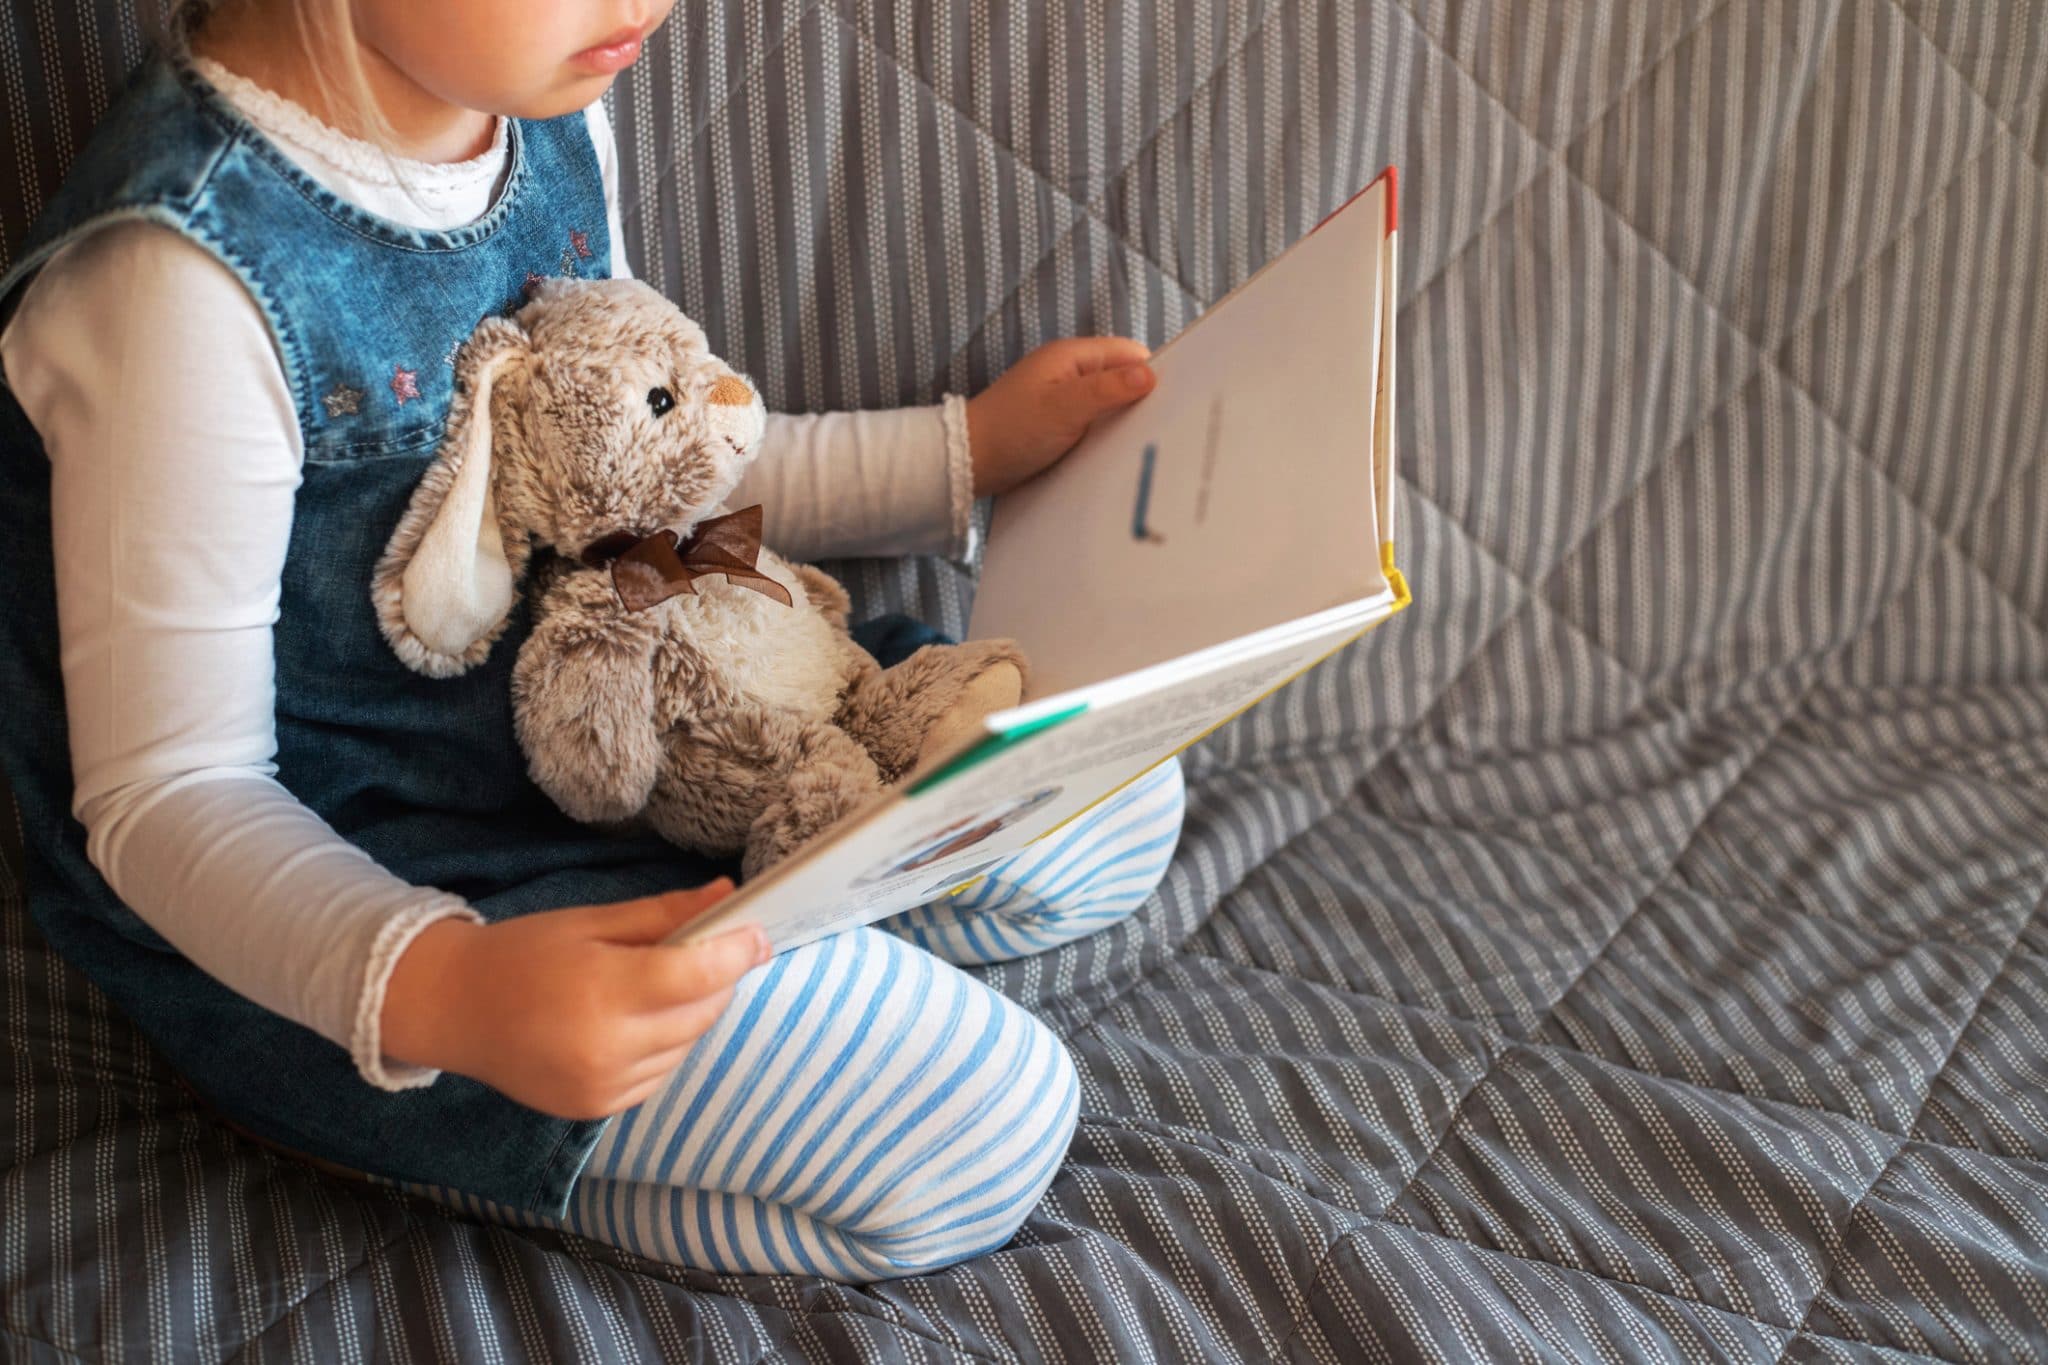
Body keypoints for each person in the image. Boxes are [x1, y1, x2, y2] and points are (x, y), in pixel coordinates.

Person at [0, 0, 1187, 1282]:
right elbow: (170, 797)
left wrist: (958, 454)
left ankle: (798, 916)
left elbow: (656, 476)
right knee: (986, 1127)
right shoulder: (178, 283)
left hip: (646, 725)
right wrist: (451, 995)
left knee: (1123, 792)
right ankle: (449, 1138)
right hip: (391, 903)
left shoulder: (535, 106)